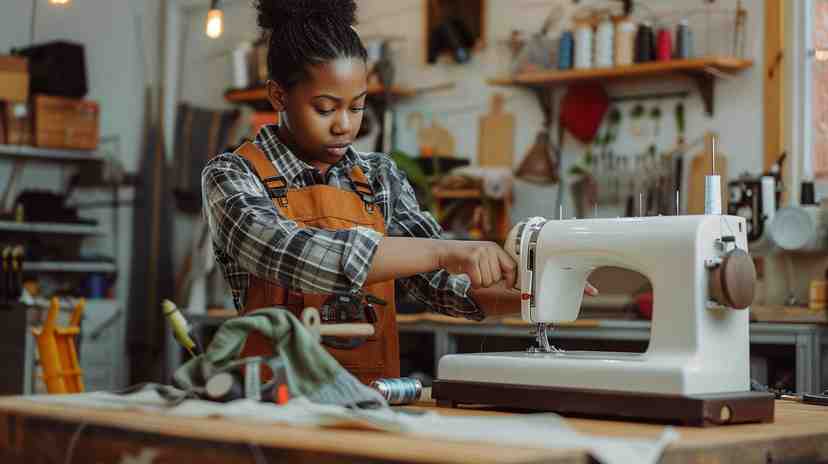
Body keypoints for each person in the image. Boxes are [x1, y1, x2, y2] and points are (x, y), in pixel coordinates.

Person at [202, 0, 596, 384]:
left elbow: (439, 284)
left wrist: (524, 293)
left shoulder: (378, 176)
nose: (344, 125)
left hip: (371, 404)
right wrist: (445, 250)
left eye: (357, 107)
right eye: (325, 108)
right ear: (278, 96)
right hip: (273, 406)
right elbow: (295, 254)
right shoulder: (233, 175)